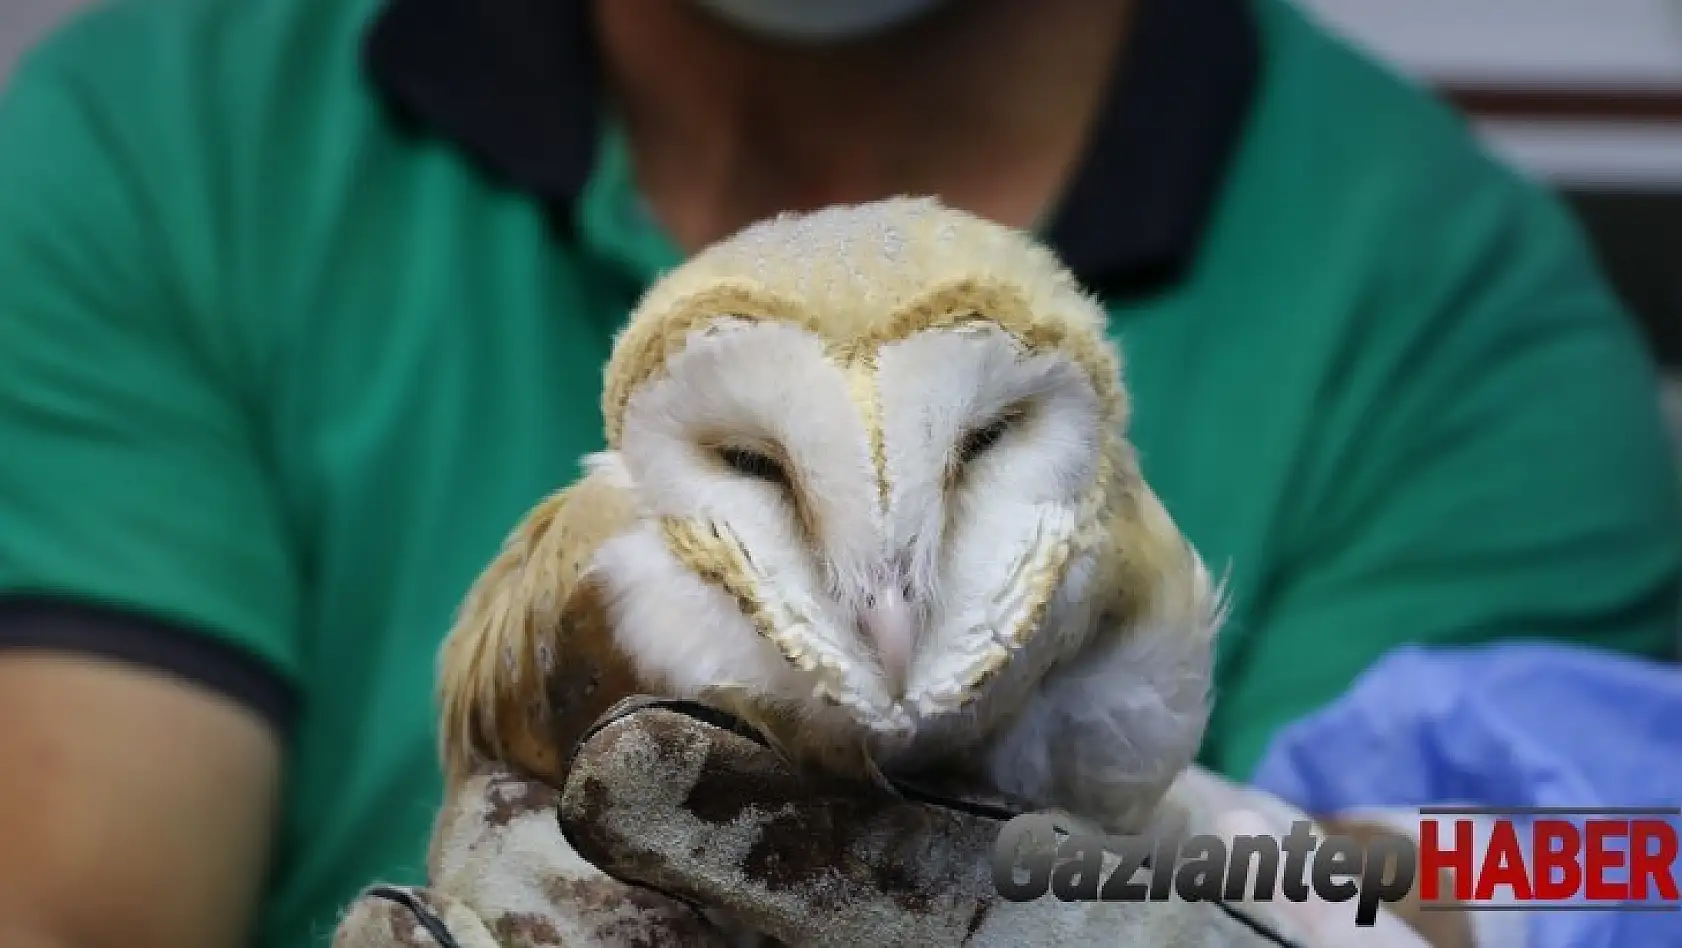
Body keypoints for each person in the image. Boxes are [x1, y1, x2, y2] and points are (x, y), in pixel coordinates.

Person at [0, 0, 1677, 945]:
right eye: (747, 465)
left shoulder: (1435, 276)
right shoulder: (175, 142)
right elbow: (69, 907)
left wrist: (1236, 895)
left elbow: (1592, 862)